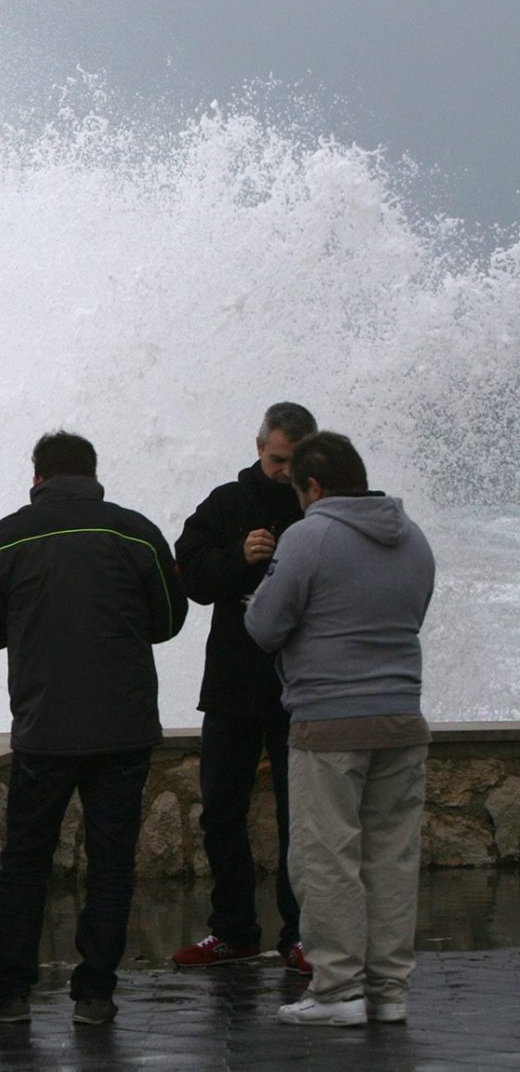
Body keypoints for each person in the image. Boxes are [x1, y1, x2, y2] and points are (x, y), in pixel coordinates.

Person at [0, 432, 187, 1027]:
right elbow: (168, 618)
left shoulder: (4, 538)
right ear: (94, 473)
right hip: (124, 727)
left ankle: (8, 993)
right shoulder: (134, 532)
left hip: (45, 729)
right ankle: (95, 994)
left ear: (37, 477)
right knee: (112, 862)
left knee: (26, 861)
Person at [246, 431, 436, 1028]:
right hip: (402, 719)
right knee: (391, 857)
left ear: (315, 487)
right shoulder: (414, 539)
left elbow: (265, 625)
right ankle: (389, 989)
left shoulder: (310, 536)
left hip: (329, 722)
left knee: (327, 857)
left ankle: (337, 991)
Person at [170, 402, 317, 973]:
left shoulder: (320, 510)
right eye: (278, 459)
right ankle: (233, 931)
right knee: (220, 812)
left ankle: (300, 933)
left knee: (298, 817)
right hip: (233, 684)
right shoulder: (226, 504)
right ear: (259, 448)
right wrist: (239, 556)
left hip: (298, 687)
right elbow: (190, 578)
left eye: (295, 461)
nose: (285, 472)